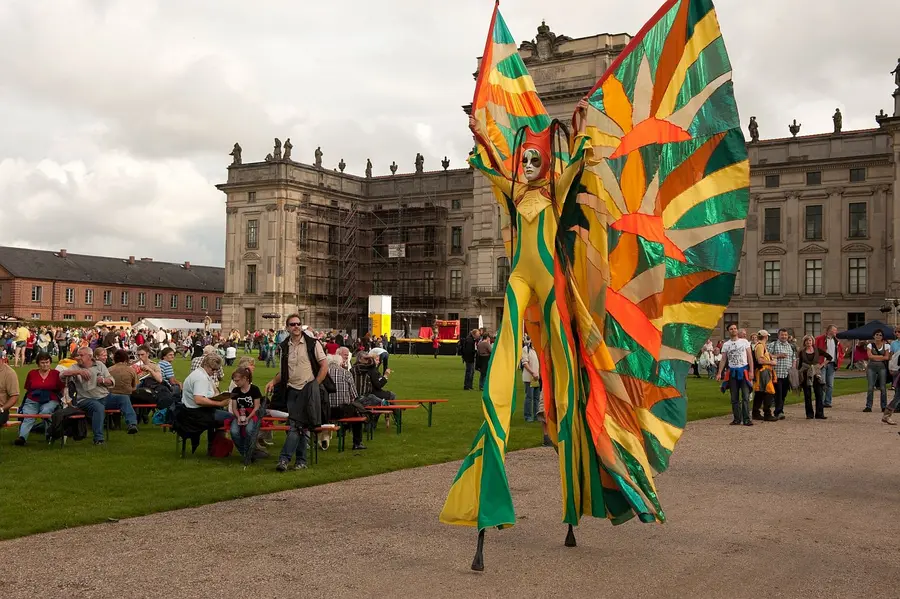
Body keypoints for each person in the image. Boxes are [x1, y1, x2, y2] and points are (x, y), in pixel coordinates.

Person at [265, 314, 327, 472]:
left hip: (308, 390)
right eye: (292, 324)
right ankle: (301, 461)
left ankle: (284, 459)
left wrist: (315, 385)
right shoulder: (284, 345)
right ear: (287, 327)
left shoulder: (313, 343)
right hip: (292, 390)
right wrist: (273, 381)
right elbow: (283, 372)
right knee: (298, 427)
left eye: (298, 324)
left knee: (295, 426)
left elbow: (324, 366)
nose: (296, 326)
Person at [60, 346, 138, 444]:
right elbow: (62, 375)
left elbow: (111, 381)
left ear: (89, 356)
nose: (78, 357)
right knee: (98, 407)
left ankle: (132, 424)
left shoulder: (100, 365)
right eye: (77, 355)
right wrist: (78, 372)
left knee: (123, 398)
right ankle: (99, 439)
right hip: (85, 399)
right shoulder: (75, 367)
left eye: (81, 355)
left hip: (104, 396)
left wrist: (104, 380)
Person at [14, 352, 65, 445]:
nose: (45, 364)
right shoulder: (32, 373)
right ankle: (22, 438)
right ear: (38, 363)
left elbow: (62, 389)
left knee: (45, 411)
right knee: (28, 416)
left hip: (51, 398)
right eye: (42, 362)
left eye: (47, 362)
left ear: (50, 363)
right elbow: (28, 388)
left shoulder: (56, 373)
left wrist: (65, 401)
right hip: (33, 399)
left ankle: (49, 434)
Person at [326, 348, 366, 450]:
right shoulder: (346, 373)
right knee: (357, 414)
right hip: (343, 410)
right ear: (340, 362)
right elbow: (354, 395)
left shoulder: (322, 373)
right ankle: (357, 443)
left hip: (325, 410)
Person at [716, 323, 754, 426]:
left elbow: (750, 357)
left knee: (745, 396)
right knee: (734, 397)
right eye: (731, 329)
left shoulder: (744, 342)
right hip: (732, 371)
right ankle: (737, 418)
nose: (734, 330)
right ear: (728, 331)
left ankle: (746, 419)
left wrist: (751, 371)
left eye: (735, 328)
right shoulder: (726, 344)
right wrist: (719, 372)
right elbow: (723, 359)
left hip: (743, 370)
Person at [228, 367, 262, 459]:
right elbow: (234, 407)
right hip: (239, 414)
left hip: (252, 414)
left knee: (249, 430)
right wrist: (238, 417)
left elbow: (256, 407)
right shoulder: (235, 390)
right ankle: (246, 452)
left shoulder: (254, 389)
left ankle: (249, 452)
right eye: (234, 381)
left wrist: (248, 418)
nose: (236, 383)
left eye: (237, 380)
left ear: (245, 379)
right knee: (234, 431)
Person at [797, 335, 829, 420]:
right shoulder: (801, 352)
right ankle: (809, 414)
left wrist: (821, 365)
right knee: (807, 395)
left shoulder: (817, 350)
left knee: (819, 394)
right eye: (806, 341)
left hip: (816, 374)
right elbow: (799, 365)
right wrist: (799, 375)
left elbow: (829, 357)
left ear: (812, 341)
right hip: (805, 374)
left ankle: (819, 414)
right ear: (804, 342)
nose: (808, 342)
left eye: (810, 340)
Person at [768, 329, 795, 420]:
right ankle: (779, 412)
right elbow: (767, 355)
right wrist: (778, 355)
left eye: (785, 335)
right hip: (777, 374)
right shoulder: (773, 345)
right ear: (778, 336)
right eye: (782, 335)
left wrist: (793, 369)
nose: (784, 336)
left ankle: (779, 409)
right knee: (778, 393)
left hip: (786, 374)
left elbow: (793, 358)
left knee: (783, 394)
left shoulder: (790, 346)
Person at [107, 349, 140, 426]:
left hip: (111, 397)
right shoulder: (131, 370)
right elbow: (135, 387)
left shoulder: (109, 370)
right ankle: (133, 422)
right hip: (127, 396)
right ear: (126, 359)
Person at [751, 331, 777, 422]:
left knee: (760, 392)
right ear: (766, 336)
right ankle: (767, 413)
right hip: (763, 370)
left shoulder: (760, 346)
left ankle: (756, 412)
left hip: (763, 371)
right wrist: (771, 362)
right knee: (769, 391)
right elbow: (760, 361)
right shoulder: (760, 346)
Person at [864, 329, 890, 413]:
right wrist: (881, 356)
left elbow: (887, 357)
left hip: (882, 367)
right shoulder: (870, 345)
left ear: (882, 337)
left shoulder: (886, 346)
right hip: (871, 367)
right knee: (870, 387)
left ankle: (883, 406)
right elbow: (870, 356)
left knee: (882, 387)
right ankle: (868, 406)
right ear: (873, 336)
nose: (878, 336)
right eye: (877, 334)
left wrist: (875, 356)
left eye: (880, 335)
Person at [815, 325, 841, 408]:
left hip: (832, 364)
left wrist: (838, 363)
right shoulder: (819, 339)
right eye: (834, 330)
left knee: (830, 384)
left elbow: (840, 352)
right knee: (821, 383)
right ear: (829, 330)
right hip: (822, 364)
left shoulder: (836, 341)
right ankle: (820, 402)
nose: (836, 332)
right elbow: (815, 350)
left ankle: (828, 402)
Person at [521, 339, 541, 422]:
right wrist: (532, 373)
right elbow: (525, 363)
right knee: (529, 397)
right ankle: (528, 416)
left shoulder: (538, 349)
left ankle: (537, 415)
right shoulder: (526, 349)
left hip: (538, 377)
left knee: (537, 398)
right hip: (529, 378)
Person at [0, 358, 19, 430]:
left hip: (2, 409)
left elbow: (14, 396)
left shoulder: (9, 373)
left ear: (2, 360)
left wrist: (2, 408)